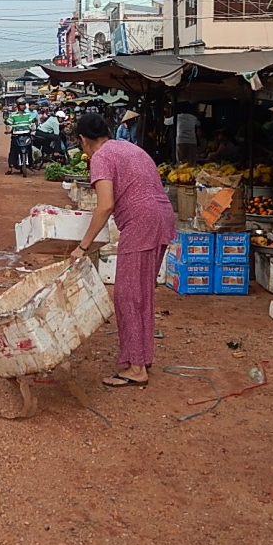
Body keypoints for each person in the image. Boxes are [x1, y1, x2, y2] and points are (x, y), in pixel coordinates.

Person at [70, 113, 176, 388]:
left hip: (141, 223)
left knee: (127, 295)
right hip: (162, 217)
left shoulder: (101, 157)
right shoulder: (129, 148)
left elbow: (105, 204)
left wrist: (83, 246)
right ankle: (141, 357)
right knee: (141, 293)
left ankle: (136, 368)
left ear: (83, 139)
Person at [5, 98, 33, 174]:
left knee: (29, 149)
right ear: (18, 106)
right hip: (16, 135)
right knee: (13, 151)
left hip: (26, 135)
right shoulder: (13, 115)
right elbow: (9, 124)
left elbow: (31, 123)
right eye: (21, 105)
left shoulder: (28, 115)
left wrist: (33, 127)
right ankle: (10, 168)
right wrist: (8, 130)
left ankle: (30, 164)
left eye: (24, 104)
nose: (23, 106)